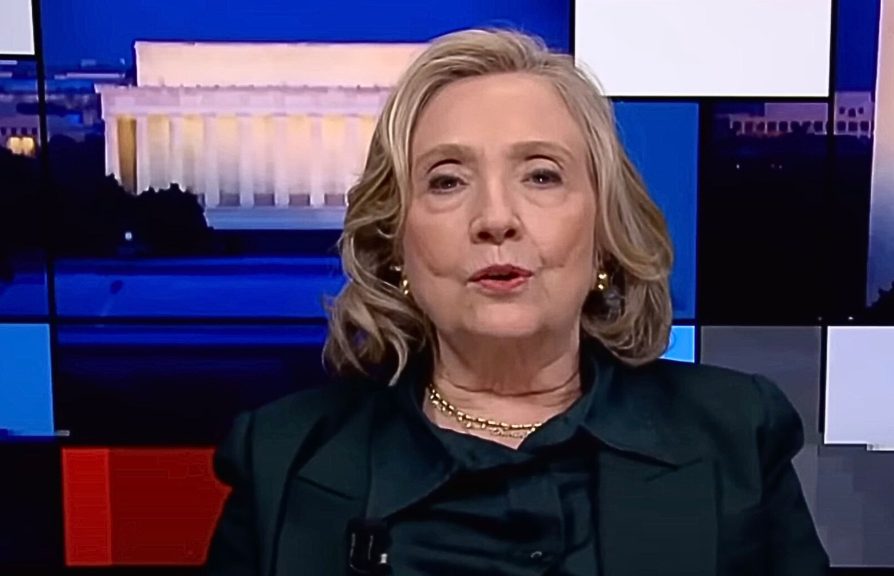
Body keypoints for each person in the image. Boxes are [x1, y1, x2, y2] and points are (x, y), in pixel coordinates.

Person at [205, 27, 830, 576]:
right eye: (447, 180)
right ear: (396, 243)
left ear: (605, 234)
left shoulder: (735, 436)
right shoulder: (283, 460)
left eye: (541, 174)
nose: (496, 219)